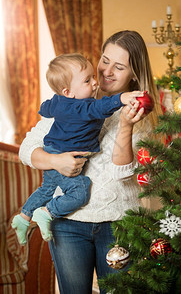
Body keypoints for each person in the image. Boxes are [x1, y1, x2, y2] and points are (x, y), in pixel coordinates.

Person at [19, 30, 162, 294]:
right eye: (104, 60)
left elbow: (121, 172)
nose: (106, 71)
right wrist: (56, 160)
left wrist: (126, 126)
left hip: (117, 223)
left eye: (118, 67)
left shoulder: (139, 112)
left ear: (133, 73)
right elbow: (27, 149)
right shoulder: (74, 96)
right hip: (67, 222)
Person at [11, 53, 143, 245]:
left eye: (93, 77)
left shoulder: (60, 102)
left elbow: (45, 108)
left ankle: (23, 217)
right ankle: (47, 212)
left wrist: (56, 105)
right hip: (57, 154)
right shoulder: (83, 107)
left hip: (51, 147)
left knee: (47, 189)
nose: (95, 83)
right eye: (87, 80)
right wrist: (121, 98)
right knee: (80, 190)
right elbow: (100, 108)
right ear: (68, 91)